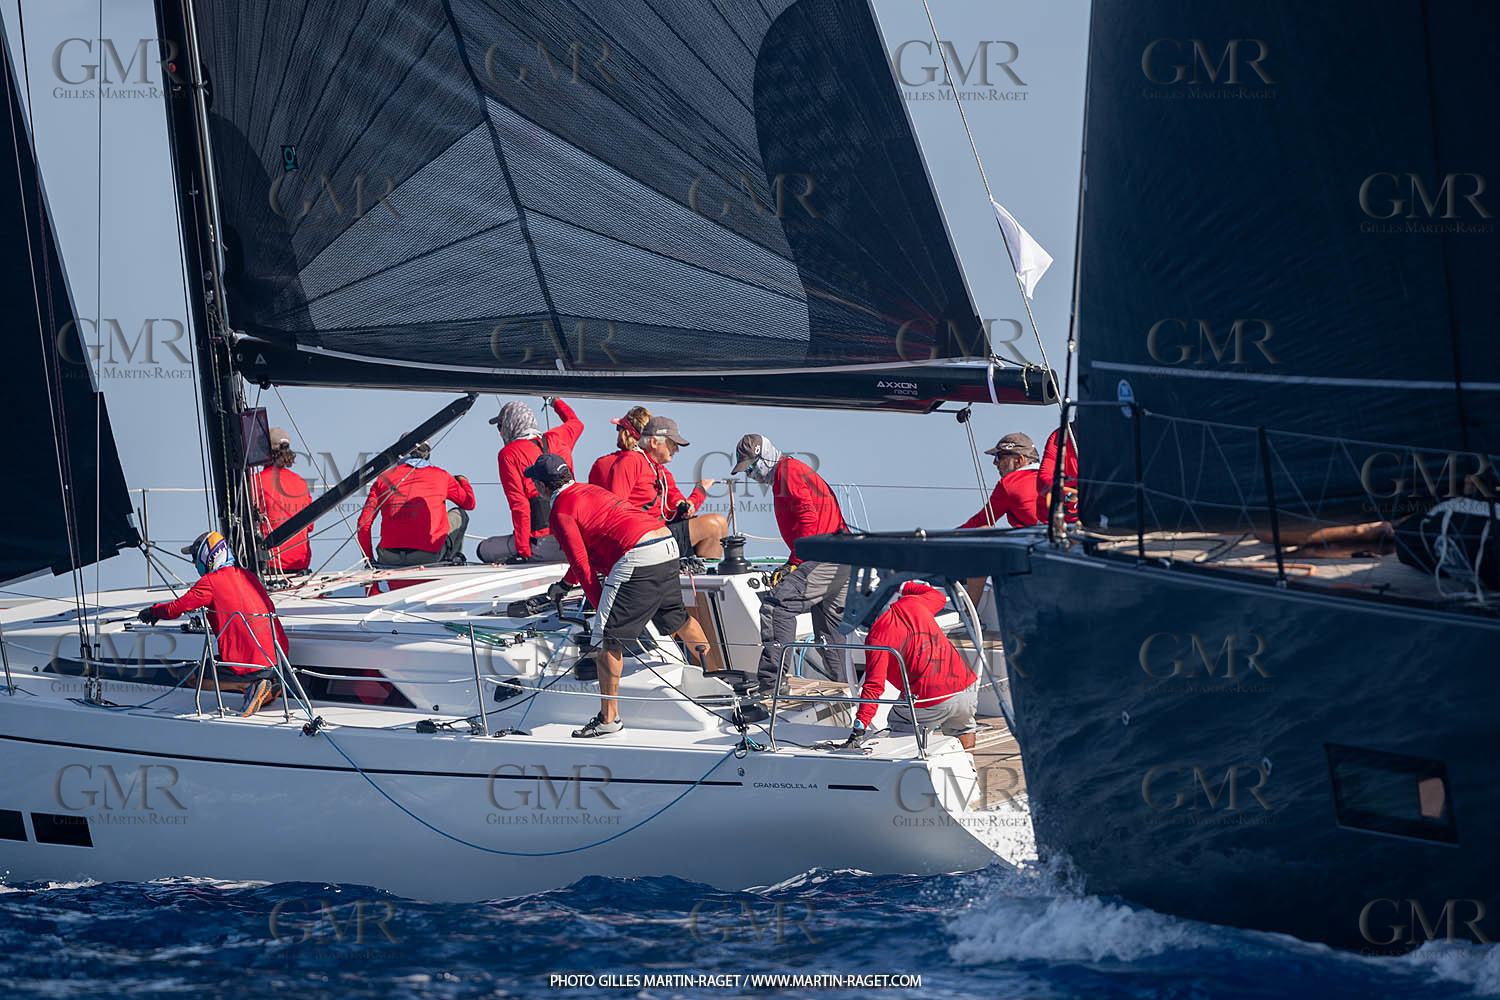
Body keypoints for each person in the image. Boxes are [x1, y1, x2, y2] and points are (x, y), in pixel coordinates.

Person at [526, 454, 712, 738]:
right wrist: (564, 585)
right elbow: (585, 555)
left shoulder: (560, 512)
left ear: (541, 486)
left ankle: (609, 720)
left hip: (637, 553)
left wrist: (603, 614)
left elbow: (583, 566)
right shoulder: (589, 490)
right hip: (664, 542)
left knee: (607, 643)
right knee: (679, 619)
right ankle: (714, 683)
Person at [730, 433, 850, 715]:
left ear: (765, 457)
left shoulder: (787, 472)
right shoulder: (788, 473)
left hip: (823, 555)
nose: (750, 475)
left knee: (776, 606)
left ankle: (771, 686)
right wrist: (792, 562)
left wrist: (796, 562)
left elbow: (807, 517)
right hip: (841, 555)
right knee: (829, 634)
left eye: (751, 467)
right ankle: (845, 695)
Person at [136, 530, 289, 717]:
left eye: (195, 557)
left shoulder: (210, 582)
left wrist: (153, 611)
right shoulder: (248, 576)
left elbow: (176, 608)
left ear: (206, 556)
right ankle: (268, 686)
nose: (194, 563)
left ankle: (250, 685)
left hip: (249, 663)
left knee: (193, 677)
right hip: (277, 660)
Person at [843, 581, 980, 751]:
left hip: (929, 698)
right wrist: (900, 584)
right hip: (966, 688)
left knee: (899, 726)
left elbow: (874, 686)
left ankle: (911, 763)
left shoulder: (877, 638)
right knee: (963, 730)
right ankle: (969, 764)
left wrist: (859, 728)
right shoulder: (913, 603)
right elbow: (938, 596)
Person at [478, 397, 584, 564]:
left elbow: (519, 505)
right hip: (575, 542)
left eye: (501, 427)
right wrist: (554, 401)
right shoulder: (559, 438)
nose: (500, 433)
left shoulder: (508, 454)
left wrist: (523, 553)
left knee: (483, 549)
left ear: (510, 425)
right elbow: (576, 423)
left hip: (542, 545)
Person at [605, 416, 727, 559]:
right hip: (641, 539)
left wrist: (698, 493)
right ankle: (707, 572)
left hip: (659, 533)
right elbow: (616, 509)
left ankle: (703, 571)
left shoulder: (661, 471)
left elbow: (679, 503)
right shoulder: (630, 461)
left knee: (720, 523)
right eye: (672, 443)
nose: (676, 450)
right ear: (654, 442)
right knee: (713, 525)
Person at [356, 441, 475, 566]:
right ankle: (450, 563)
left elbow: (363, 524)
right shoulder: (442, 476)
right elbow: (469, 503)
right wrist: (463, 481)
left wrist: (369, 560)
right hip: (427, 557)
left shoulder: (383, 478)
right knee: (460, 514)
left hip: (389, 557)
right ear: (427, 454)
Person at [958, 432, 1042, 605]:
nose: (995, 463)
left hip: (1035, 550)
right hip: (1065, 547)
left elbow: (982, 521)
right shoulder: (1054, 476)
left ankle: (968, 612)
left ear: (1019, 460)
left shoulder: (1010, 483)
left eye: (999, 457)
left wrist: (941, 540)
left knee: (983, 535)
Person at [252, 426, 313, 574]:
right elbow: (310, 526)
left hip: (272, 566)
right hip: (300, 564)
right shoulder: (300, 482)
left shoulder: (255, 482)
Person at [588, 406, 652, 487]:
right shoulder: (656, 468)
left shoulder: (602, 464)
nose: (618, 432)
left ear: (626, 433)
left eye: (619, 428)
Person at [1035, 425, 1080, 524]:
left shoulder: (1112, 436)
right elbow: (1043, 481)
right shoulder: (1060, 436)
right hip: (1057, 524)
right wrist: (1069, 495)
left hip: (1103, 521)